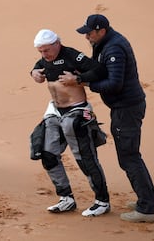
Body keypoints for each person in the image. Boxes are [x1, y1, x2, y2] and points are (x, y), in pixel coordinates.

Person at [73, 14, 154, 222]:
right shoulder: (105, 42)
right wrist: (82, 75)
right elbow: (99, 69)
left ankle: (146, 209)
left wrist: (85, 84)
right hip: (124, 107)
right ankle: (149, 199)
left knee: (129, 157)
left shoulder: (113, 48)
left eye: (90, 33)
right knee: (131, 156)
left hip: (126, 109)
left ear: (101, 30)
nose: (87, 37)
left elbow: (114, 84)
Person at [30, 29, 110, 217]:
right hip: (55, 111)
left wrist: (79, 79)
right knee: (47, 153)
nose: (44, 55)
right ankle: (66, 198)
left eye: (47, 50)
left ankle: (102, 201)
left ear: (57, 43)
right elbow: (37, 67)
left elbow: (99, 70)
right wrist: (33, 73)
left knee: (85, 157)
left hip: (76, 111)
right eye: (40, 51)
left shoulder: (72, 55)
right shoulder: (45, 59)